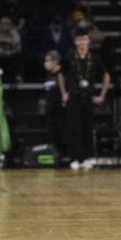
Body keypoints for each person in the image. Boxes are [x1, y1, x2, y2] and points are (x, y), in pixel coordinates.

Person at [59, 28, 110, 170]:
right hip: (74, 97)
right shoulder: (69, 56)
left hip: (89, 98)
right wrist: (64, 93)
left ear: (89, 41)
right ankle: (74, 158)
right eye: (79, 40)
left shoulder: (95, 58)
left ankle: (87, 157)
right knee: (74, 128)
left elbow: (106, 76)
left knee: (87, 128)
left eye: (85, 39)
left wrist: (102, 95)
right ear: (75, 42)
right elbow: (61, 75)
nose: (82, 43)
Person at [42, 50, 65, 161]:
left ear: (56, 62)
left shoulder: (61, 75)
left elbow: (64, 93)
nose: (45, 63)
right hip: (50, 111)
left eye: (48, 61)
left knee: (59, 135)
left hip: (59, 112)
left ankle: (62, 156)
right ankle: (55, 157)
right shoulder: (49, 75)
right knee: (50, 135)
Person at [0, 15, 23, 81]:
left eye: (7, 23)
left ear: (11, 25)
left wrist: (8, 41)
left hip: (12, 57)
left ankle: (17, 77)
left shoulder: (14, 33)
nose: (5, 25)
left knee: (19, 57)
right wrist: (4, 43)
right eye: (3, 23)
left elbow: (18, 47)